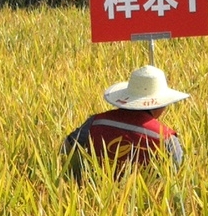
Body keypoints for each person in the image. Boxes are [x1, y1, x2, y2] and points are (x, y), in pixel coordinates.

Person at [62, 64, 190, 180]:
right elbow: (177, 176)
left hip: (94, 192)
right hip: (146, 197)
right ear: (160, 105)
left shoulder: (95, 123)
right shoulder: (165, 137)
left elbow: (65, 149)